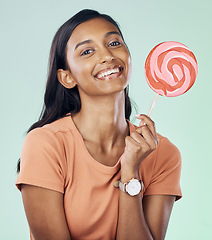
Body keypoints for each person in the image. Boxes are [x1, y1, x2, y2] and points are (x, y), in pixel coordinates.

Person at [16, 9, 182, 240]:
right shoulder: (46, 144)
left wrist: (130, 172)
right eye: (87, 51)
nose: (107, 56)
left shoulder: (163, 153)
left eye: (114, 43)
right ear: (67, 77)